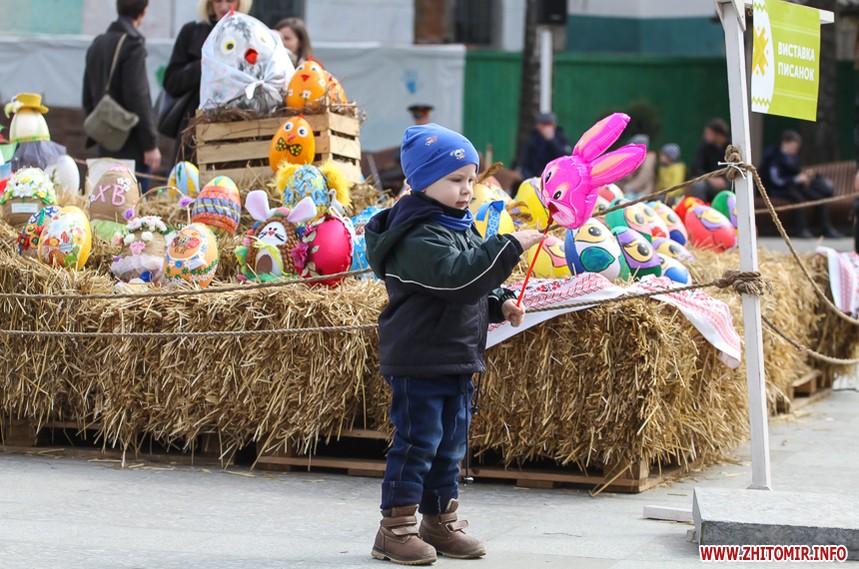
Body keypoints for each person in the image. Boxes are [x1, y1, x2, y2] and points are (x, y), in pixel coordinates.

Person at [364, 123, 545, 565]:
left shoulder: (455, 225)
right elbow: (457, 277)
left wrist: (499, 302)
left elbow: (474, 284)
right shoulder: (417, 235)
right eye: (455, 179)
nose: (467, 189)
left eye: (471, 179)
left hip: (456, 357)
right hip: (421, 358)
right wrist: (509, 246)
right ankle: (395, 529)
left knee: (450, 446)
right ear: (423, 181)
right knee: (418, 441)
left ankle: (439, 521)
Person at [82, 0, 160, 191]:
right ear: (144, 11)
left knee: (106, 200)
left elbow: (87, 97)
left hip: (105, 141)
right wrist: (150, 145)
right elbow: (138, 97)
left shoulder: (97, 44)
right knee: (132, 202)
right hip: (133, 146)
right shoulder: (132, 45)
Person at [163, 0, 253, 164]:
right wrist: (206, 64)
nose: (223, 6)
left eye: (230, 0)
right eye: (217, 1)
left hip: (239, 128)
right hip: (195, 128)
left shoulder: (251, 33)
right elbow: (171, 82)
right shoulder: (192, 32)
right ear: (209, 4)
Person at [760, 130, 842, 238]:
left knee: (819, 198)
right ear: (786, 143)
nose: (795, 149)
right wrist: (795, 179)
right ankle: (802, 229)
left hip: (795, 187)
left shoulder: (793, 157)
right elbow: (776, 180)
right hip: (778, 189)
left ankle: (826, 228)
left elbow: (796, 172)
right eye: (794, 146)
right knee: (799, 199)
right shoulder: (774, 157)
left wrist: (805, 176)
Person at [519, 112, 572, 180]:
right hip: (536, 179)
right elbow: (525, 165)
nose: (546, 128)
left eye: (549, 124)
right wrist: (532, 179)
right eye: (543, 124)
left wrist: (552, 140)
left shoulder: (561, 138)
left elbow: (565, 158)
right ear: (538, 126)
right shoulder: (532, 140)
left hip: (557, 178)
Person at [690, 118, 730, 202]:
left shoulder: (731, 146)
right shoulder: (704, 145)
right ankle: (701, 208)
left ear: (718, 135)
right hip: (708, 182)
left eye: (708, 133)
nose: (705, 136)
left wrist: (725, 179)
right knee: (698, 185)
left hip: (727, 183)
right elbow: (696, 168)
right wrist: (711, 179)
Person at [616, 134, 657, 198]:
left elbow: (642, 179)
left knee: (628, 198)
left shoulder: (648, 158)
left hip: (642, 191)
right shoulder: (633, 157)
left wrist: (627, 187)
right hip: (629, 188)